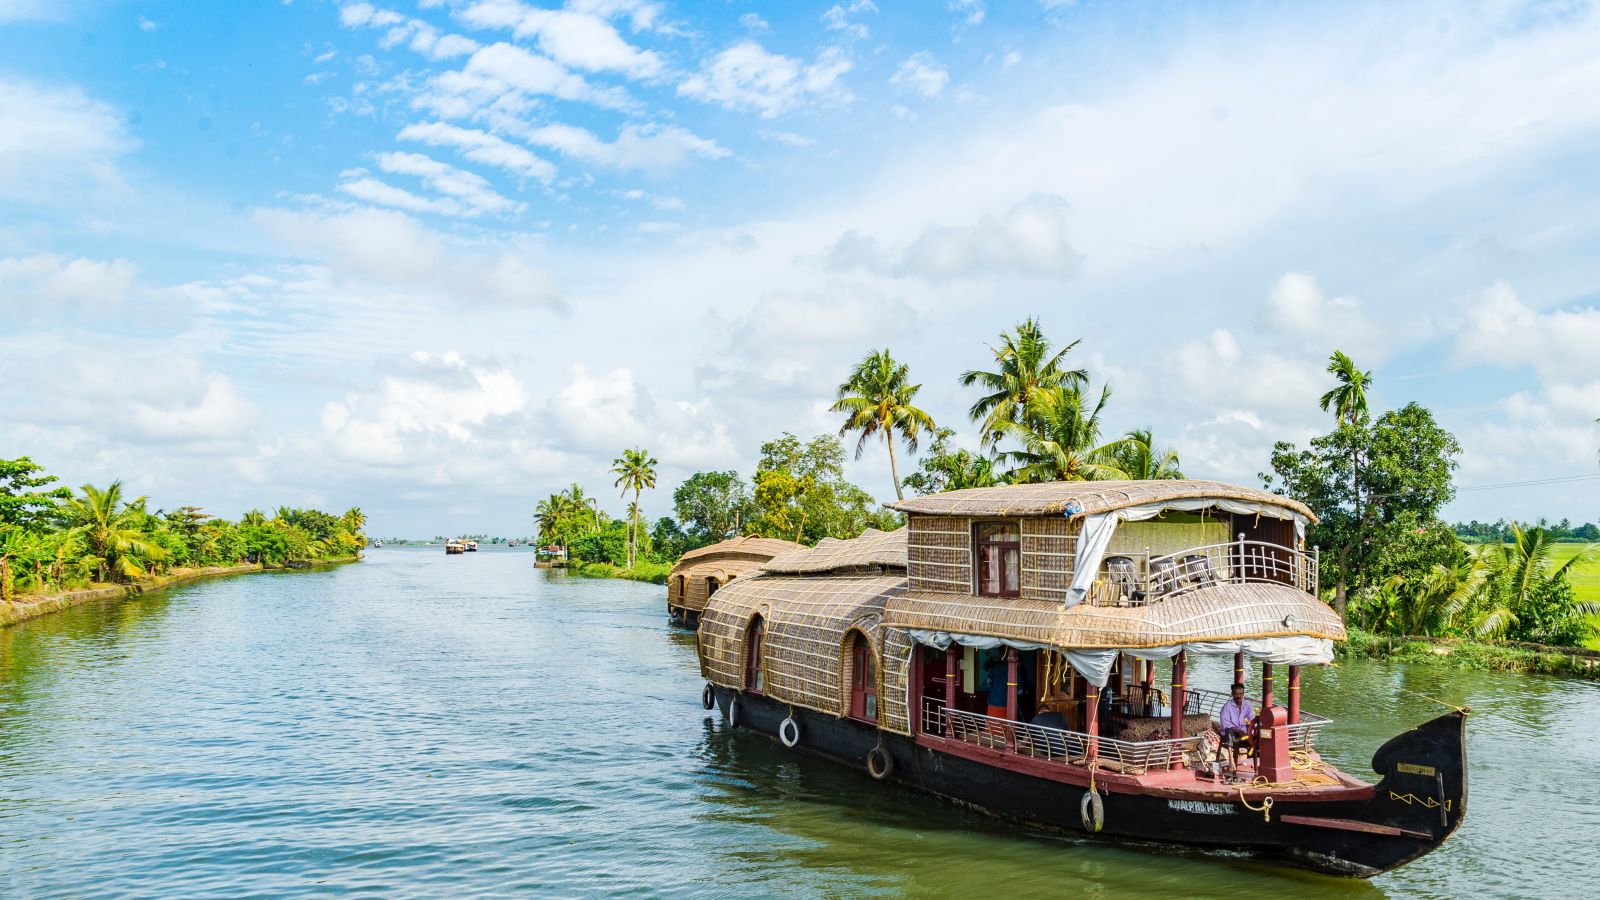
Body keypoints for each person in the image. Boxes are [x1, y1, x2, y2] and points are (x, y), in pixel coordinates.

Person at [1218, 682, 1256, 770]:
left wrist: (1249, 730)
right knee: (1229, 731)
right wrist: (1240, 731)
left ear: (1243, 694)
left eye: (1240, 694)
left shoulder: (1248, 705)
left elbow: (1252, 719)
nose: (1238, 696)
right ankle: (1231, 761)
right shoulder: (1227, 707)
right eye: (1236, 694)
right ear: (1232, 694)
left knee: (1256, 739)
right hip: (1231, 732)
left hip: (1244, 732)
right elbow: (1225, 724)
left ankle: (1254, 763)